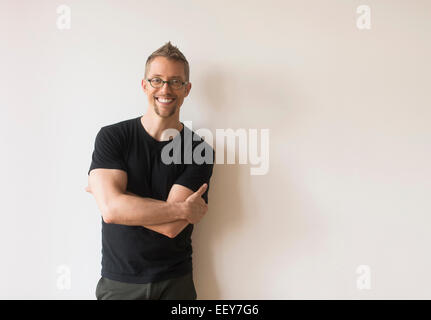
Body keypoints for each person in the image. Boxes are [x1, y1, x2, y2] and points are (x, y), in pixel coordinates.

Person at [85, 41, 214, 300]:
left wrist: (118, 200)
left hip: (175, 282)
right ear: (144, 85)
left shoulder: (199, 149)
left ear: (187, 89)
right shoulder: (113, 137)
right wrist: (181, 209)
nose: (165, 89)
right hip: (120, 282)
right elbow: (111, 212)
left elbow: (170, 228)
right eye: (157, 80)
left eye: (175, 82)